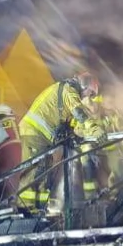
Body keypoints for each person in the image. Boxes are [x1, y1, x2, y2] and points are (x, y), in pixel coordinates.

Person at [17, 71, 106, 209]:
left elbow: (68, 124)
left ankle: (39, 210)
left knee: (43, 174)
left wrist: (75, 136)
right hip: (33, 132)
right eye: (90, 93)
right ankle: (25, 209)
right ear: (84, 85)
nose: (88, 97)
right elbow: (78, 112)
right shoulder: (68, 90)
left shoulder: (66, 94)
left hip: (43, 137)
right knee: (33, 173)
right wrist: (94, 129)